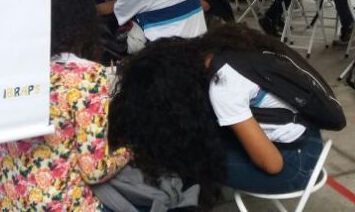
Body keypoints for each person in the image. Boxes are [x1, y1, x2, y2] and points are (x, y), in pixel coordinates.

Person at [108, 24, 325, 203]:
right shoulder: (219, 51)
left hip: (296, 166)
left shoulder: (223, 89)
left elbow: (273, 164)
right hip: (309, 136)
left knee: (188, 158)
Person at [0, 0, 130, 211]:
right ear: (84, 23)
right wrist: (130, 149)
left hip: (6, 200)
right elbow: (95, 170)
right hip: (60, 204)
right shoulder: (88, 76)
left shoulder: (11, 68)